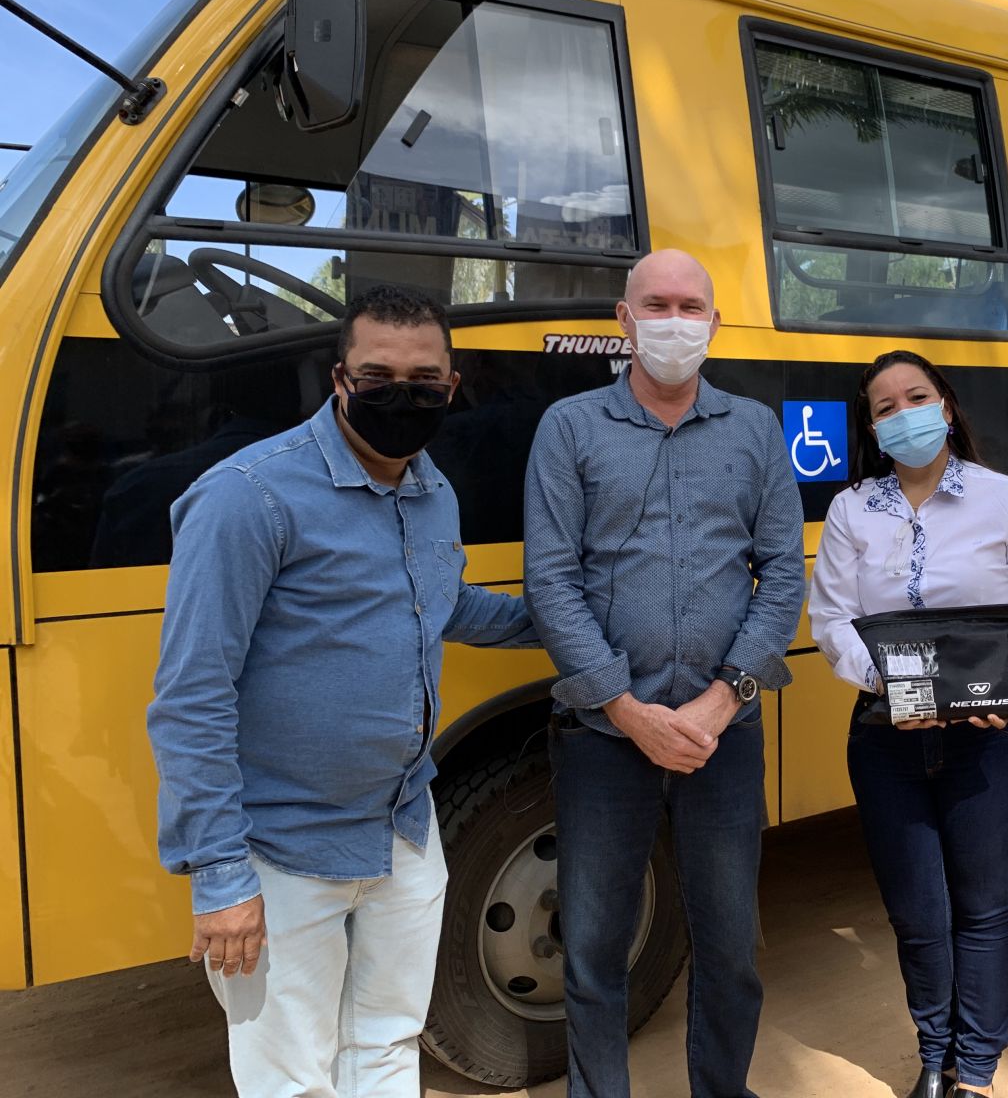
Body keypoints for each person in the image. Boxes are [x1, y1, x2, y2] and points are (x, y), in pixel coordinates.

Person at [148, 285, 541, 1098]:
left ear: (452, 387)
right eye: (377, 377)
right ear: (338, 379)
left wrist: (560, 620)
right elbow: (192, 695)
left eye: (425, 382)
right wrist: (221, 877)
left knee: (388, 1047)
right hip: (284, 851)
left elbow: (445, 602)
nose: (403, 397)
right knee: (291, 1078)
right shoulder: (248, 498)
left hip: (403, 831)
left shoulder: (432, 490)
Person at [522, 248, 805, 1098]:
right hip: (604, 737)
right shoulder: (569, 428)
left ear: (715, 324)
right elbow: (551, 580)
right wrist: (627, 708)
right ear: (623, 319)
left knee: (728, 945)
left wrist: (723, 702)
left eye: (691, 306)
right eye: (657, 305)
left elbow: (783, 575)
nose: (674, 321)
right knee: (597, 948)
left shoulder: (755, 430)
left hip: (726, 733)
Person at [808, 350, 1008, 1098]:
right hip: (888, 737)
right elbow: (831, 619)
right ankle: (935, 1054)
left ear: (947, 407)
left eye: (916, 397)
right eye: (885, 406)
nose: (904, 414)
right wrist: (900, 686)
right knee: (918, 915)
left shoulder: (1005, 500)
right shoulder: (853, 509)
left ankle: (975, 1071)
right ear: (872, 426)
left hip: (993, 733)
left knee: (982, 907)